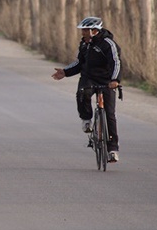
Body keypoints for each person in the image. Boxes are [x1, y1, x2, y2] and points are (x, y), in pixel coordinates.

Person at [51, 17, 122, 163]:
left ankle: (112, 149)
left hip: (107, 81)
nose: (82, 32)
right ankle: (86, 120)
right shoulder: (84, 44)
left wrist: (115, 80)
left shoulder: (108, 44)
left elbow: (116, 62)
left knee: (110, 114)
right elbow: (79, 63)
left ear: (95, 31)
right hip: (88, 78)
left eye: (85, 30)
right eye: (82, 30)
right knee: (82, 93)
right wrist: (65, 72)